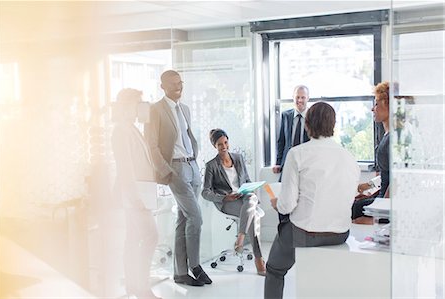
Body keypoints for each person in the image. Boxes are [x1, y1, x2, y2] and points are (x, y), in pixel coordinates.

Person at [264, 102, 360, 299]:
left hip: (305, 232)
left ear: (307, 124)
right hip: (340, 233)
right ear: (333, 125)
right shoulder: (349, 158)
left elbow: (287, 205)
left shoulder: (297, 154)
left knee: (274, 270)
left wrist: (277, 204)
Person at [146, 70, 211, 286]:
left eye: (180, 83)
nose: (178, 87)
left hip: (192, 166)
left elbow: (187, 136)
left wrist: (194, 160)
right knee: (196, 218)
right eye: (173, 84)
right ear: (162, 86)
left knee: (183, 219)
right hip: (176, 170)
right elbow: (151, 145)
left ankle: (180, 273)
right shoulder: (155, 110)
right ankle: (195, 266)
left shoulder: (184, 109)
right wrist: (166, 171)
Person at [111, 88, 159, 299]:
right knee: (151, 236)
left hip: (139, 194)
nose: (142, 107)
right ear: (127, 106)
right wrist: (135, 198)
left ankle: (134, 287)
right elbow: (125, 168)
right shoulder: (121, 131)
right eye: (138, 103)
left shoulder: (132, 128)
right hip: (134, 197)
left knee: (133, 241)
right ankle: (142, 288)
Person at [202, 129, 266, 276]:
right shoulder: (211, 166)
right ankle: (259, 259)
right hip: (228, 201)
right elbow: (205, 192)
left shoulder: (238, 158)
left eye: (225, 142)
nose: (224, 146)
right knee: (254, 215)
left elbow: (247, 180)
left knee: (251, 198)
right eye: (219, 144)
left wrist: (250, 188)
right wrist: (224, 197)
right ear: (215, 146)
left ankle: (240, 238)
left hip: (244, 196)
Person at [352, 81, 390, 223]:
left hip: (387, 205)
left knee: (354, 212)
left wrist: (378, 217)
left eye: (376, 104)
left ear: (388, 105)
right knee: (355, 206)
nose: (372, 109)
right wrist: (369, 189)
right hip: (381, 197)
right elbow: (386, 175)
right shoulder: (386, 135)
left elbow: (396, 181)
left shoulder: (394, 138)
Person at [272, 85, 311, 176]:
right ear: (293, 97)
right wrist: (278, 162)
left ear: (308, 98)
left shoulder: (313, 116)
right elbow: (281, 141)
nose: (300, 100)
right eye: (297, 97)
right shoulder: (285, 115)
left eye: (303, 97)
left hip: (306, 163)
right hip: (288, 162)